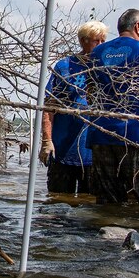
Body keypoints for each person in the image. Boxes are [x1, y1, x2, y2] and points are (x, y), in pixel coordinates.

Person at [86, 8, 139, 204]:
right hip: (134, 136)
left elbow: (90, 96)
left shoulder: (97, 52)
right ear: (138, 28)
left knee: (106, 204)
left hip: (101, 135)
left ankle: (105, 234)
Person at [38, 20, 109, 194]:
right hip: (63, 151)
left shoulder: (107, 69)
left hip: (94, 154)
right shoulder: (65, 67)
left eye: (103, 41)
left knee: (90, 207)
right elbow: (49, 107)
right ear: (84, 41)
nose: (101, 45)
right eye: (96, 41)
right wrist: (47, 141)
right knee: (57, 202)